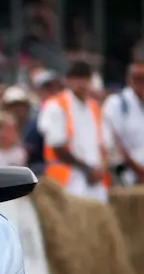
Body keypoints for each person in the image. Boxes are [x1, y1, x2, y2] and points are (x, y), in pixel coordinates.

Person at [37, 60, 114, 202]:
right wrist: (88, 169)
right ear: (68, 80)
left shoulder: (95, 109)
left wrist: (101, 169)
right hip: (66, 181)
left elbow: (106, 146)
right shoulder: (55, 105)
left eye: (85, 78)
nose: (81, 83)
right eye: (77, 78)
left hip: (95, 184)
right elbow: (57, 147)